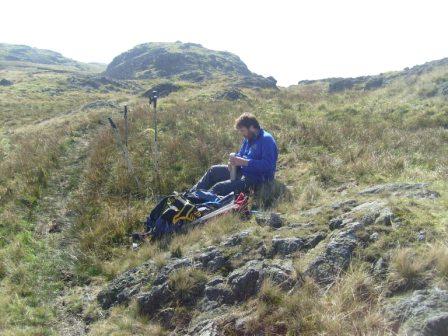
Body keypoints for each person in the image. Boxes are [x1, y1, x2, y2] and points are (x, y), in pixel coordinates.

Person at [191, 113, 278, 196]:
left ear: (252, 127)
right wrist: (234, 163)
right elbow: (241, 154)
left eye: (243, 130)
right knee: (213, 171)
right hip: (242, 172)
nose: (242, 134)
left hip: (258, 179)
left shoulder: (266, 140)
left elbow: (268, 165)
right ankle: (190, 195)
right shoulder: (248, 138)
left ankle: (198, 203)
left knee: (219, 188)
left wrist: (244, 162)